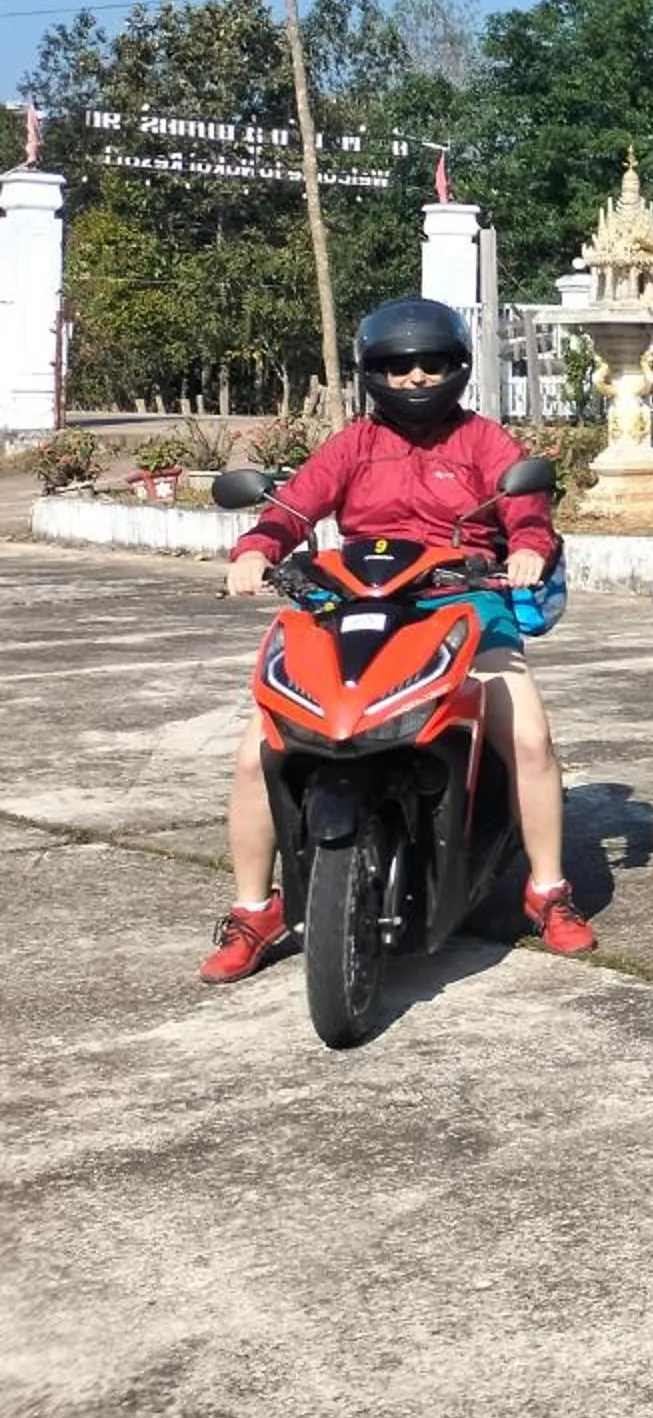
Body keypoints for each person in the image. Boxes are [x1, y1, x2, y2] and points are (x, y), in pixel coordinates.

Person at [204, 296, 594, 979]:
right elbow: (295, 505)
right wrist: (257, 548)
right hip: (352, 601)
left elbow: (525, 507)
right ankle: (254, 908)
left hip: (466, 603)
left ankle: (549, 891)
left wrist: (528, 546)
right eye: (398, 365)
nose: (415, 377)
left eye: (431, 363)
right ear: (372, 371)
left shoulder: (485, 442)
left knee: (527, 734)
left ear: (458, 367)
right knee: (256, 751)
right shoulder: (354, 443)